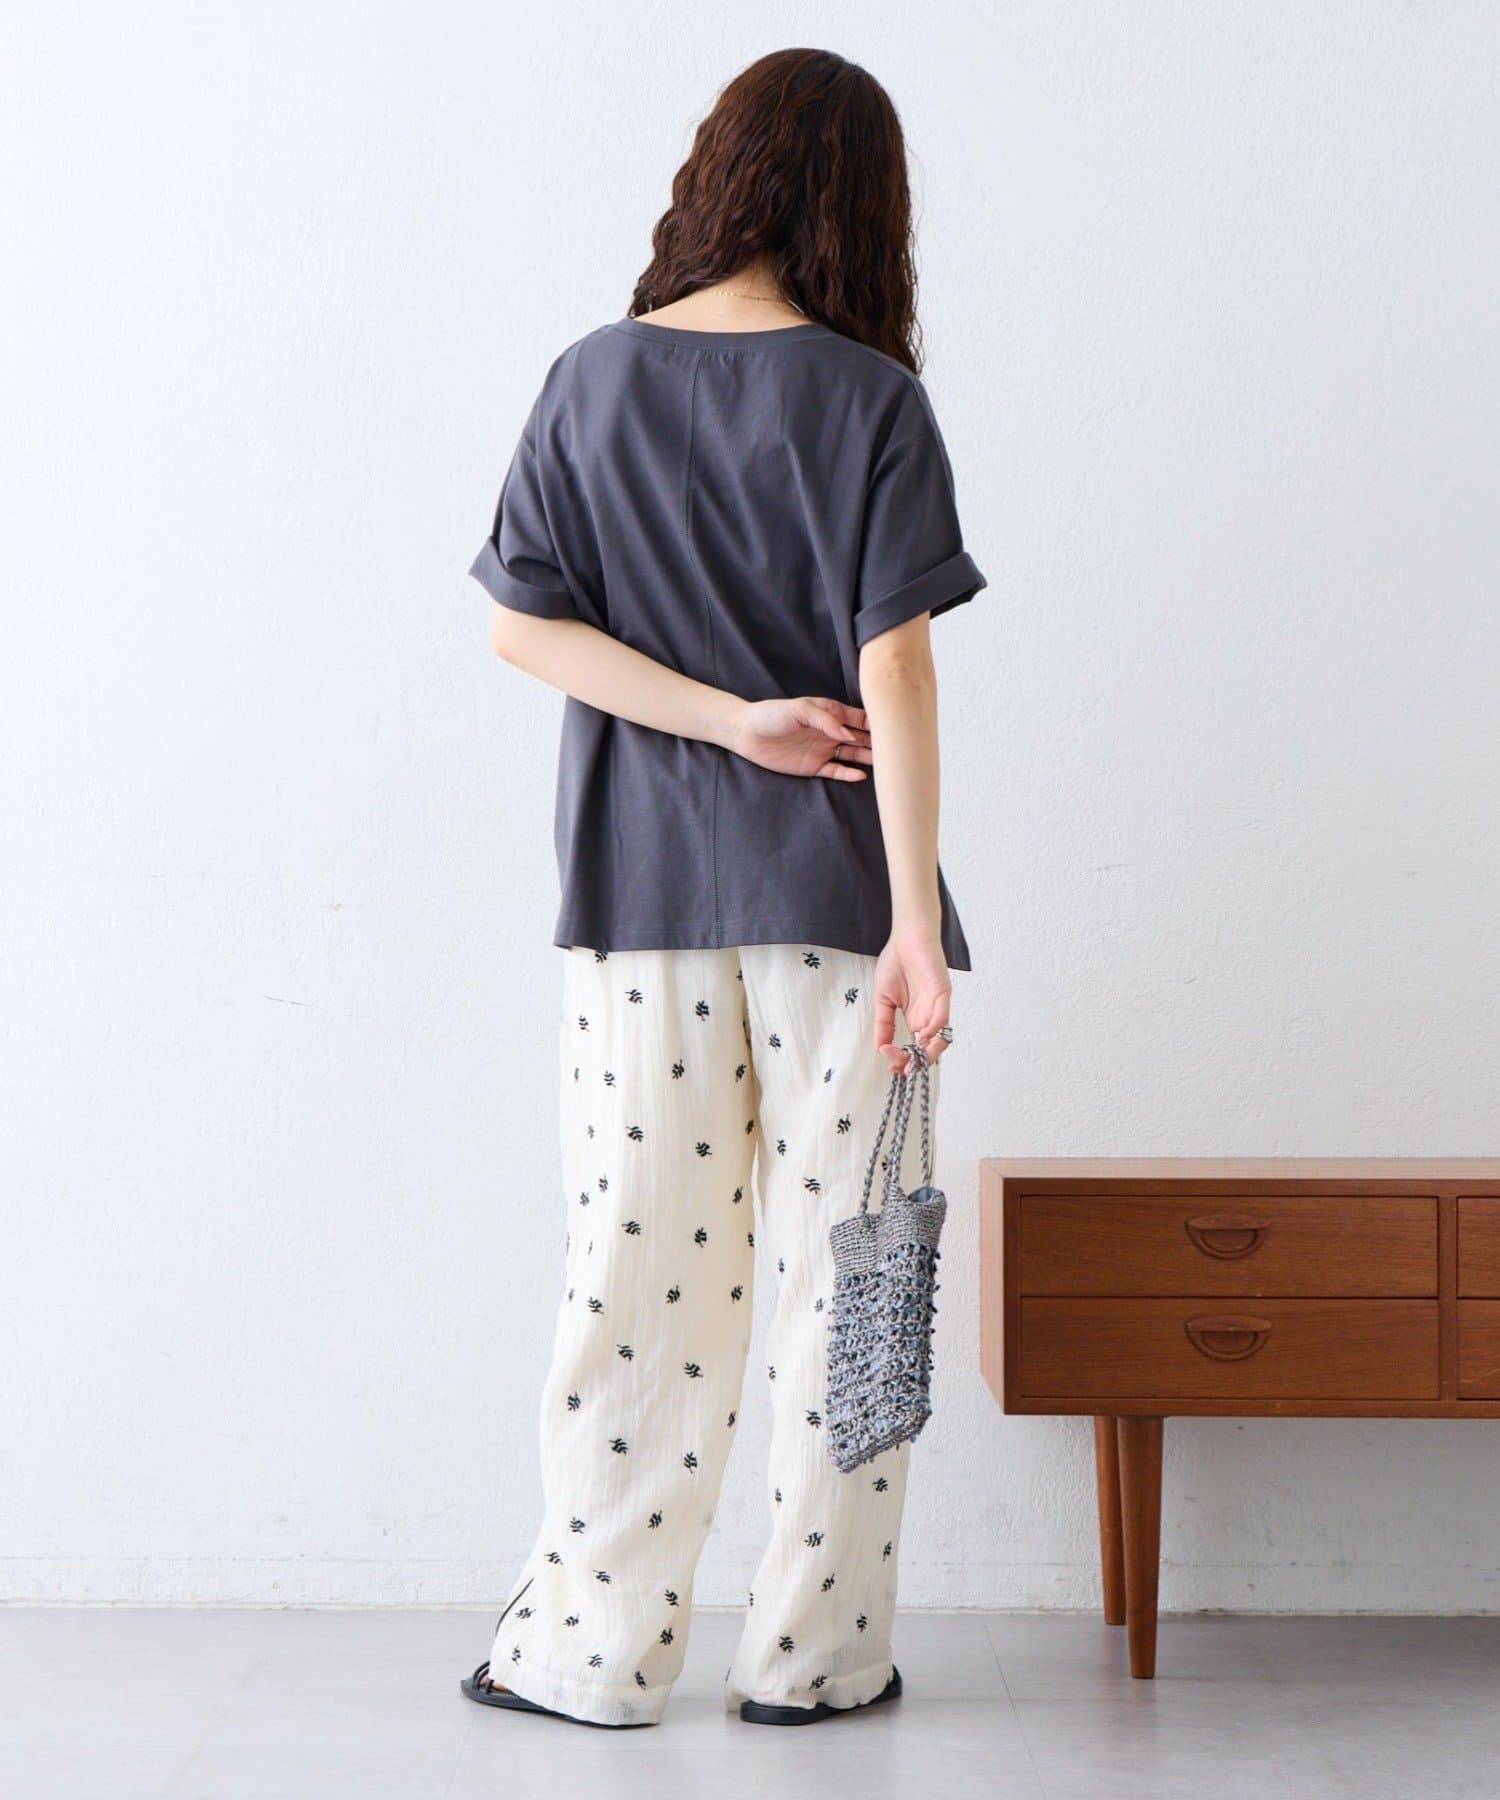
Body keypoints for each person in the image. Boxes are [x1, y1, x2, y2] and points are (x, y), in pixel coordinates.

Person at [459, 46, 986, 1729]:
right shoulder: (872, 399)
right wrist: (917, 923)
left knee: (636, 1282)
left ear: (719, 174)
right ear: (862, 207)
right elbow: (897, 668)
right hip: (840, 908)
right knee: (852, 1278)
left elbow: (524, 628)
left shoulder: (590, 379)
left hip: (642, 908)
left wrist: (717, 720)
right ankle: (818, 1659)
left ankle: (591, 1655)